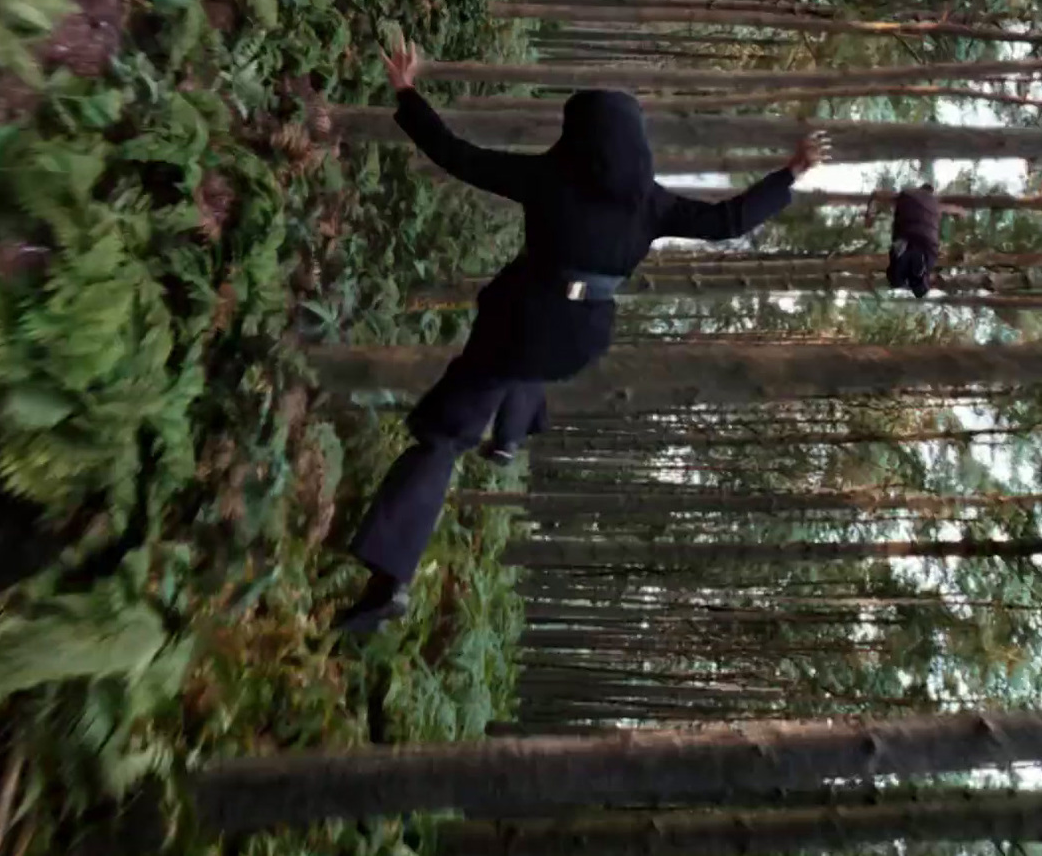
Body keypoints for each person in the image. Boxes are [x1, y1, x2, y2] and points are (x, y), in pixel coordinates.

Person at [334, 36, 827, 635]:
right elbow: (727, 222)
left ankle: (391, 577)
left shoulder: (548, 179)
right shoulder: (651, 204)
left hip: (522, 326)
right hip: (581, 337)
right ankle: (512, 433)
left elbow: (456, 154)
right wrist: (789, 174)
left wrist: (407, 93)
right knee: (531, 364)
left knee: (445, 434)